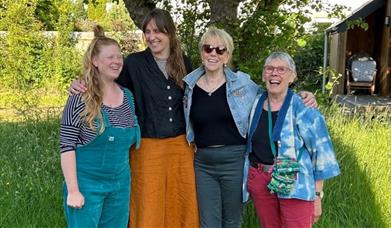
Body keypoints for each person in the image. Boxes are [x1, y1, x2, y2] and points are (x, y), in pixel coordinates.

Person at [69, 9, 199, 228]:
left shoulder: (184, 62)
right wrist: (82, 82)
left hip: (180, 146)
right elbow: (106, 80)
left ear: (170, 33)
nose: (151, 37)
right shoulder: (135, 63)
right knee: (147, 204)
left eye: (157, 31)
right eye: (147, 31)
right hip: (147, 146)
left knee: (181, 201)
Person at [183, 28, 318, 228]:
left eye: (220, 50)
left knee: (232, 221)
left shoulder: (242, 84)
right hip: (203, 164)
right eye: (208, 48)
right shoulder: (190, 86)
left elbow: (272, 92)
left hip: (234, 162)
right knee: (207, 223)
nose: (213, 53)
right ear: (201, 53)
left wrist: (302, 95)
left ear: (227, 56)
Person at [243, 51, 341, 228]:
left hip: (295, 182)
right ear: (264, 74)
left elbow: (321, 155)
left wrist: (317, 196)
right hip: (259, 179)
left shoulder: (303, 107)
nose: (274, 73)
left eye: (282, 69)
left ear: (292, 76)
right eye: (270, 68)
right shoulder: (255, 101)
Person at [60, 25, 140, 228]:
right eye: (110, 57)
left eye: (119, 57)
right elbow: (67, 145)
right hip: (86, 185)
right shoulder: (80, 97)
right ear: (95, 61)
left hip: (120, 186)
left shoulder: (128, 97)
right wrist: (73, 190)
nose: (117, 61)